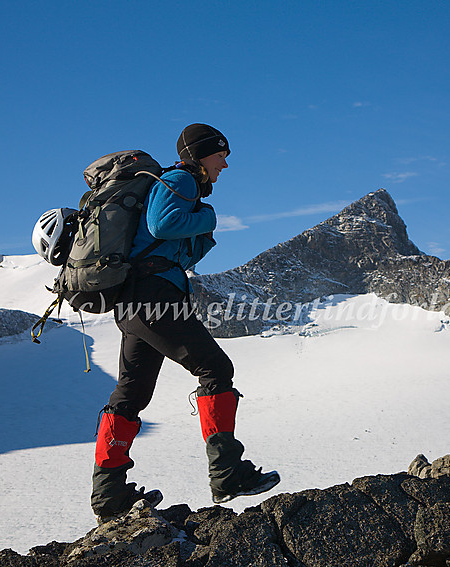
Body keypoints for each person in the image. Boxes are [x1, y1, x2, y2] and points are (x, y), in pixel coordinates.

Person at [90, 124, 280, 523]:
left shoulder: (174, 182)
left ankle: (109, 496)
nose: (225, 164)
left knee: (131, 393)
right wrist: (208, 217)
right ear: (200, 154)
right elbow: (163, 225)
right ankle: (227, 474)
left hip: (132, 302)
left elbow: (162, 237)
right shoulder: (182, 179)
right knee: (216, 369)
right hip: (153, 296)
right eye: (220, 155)